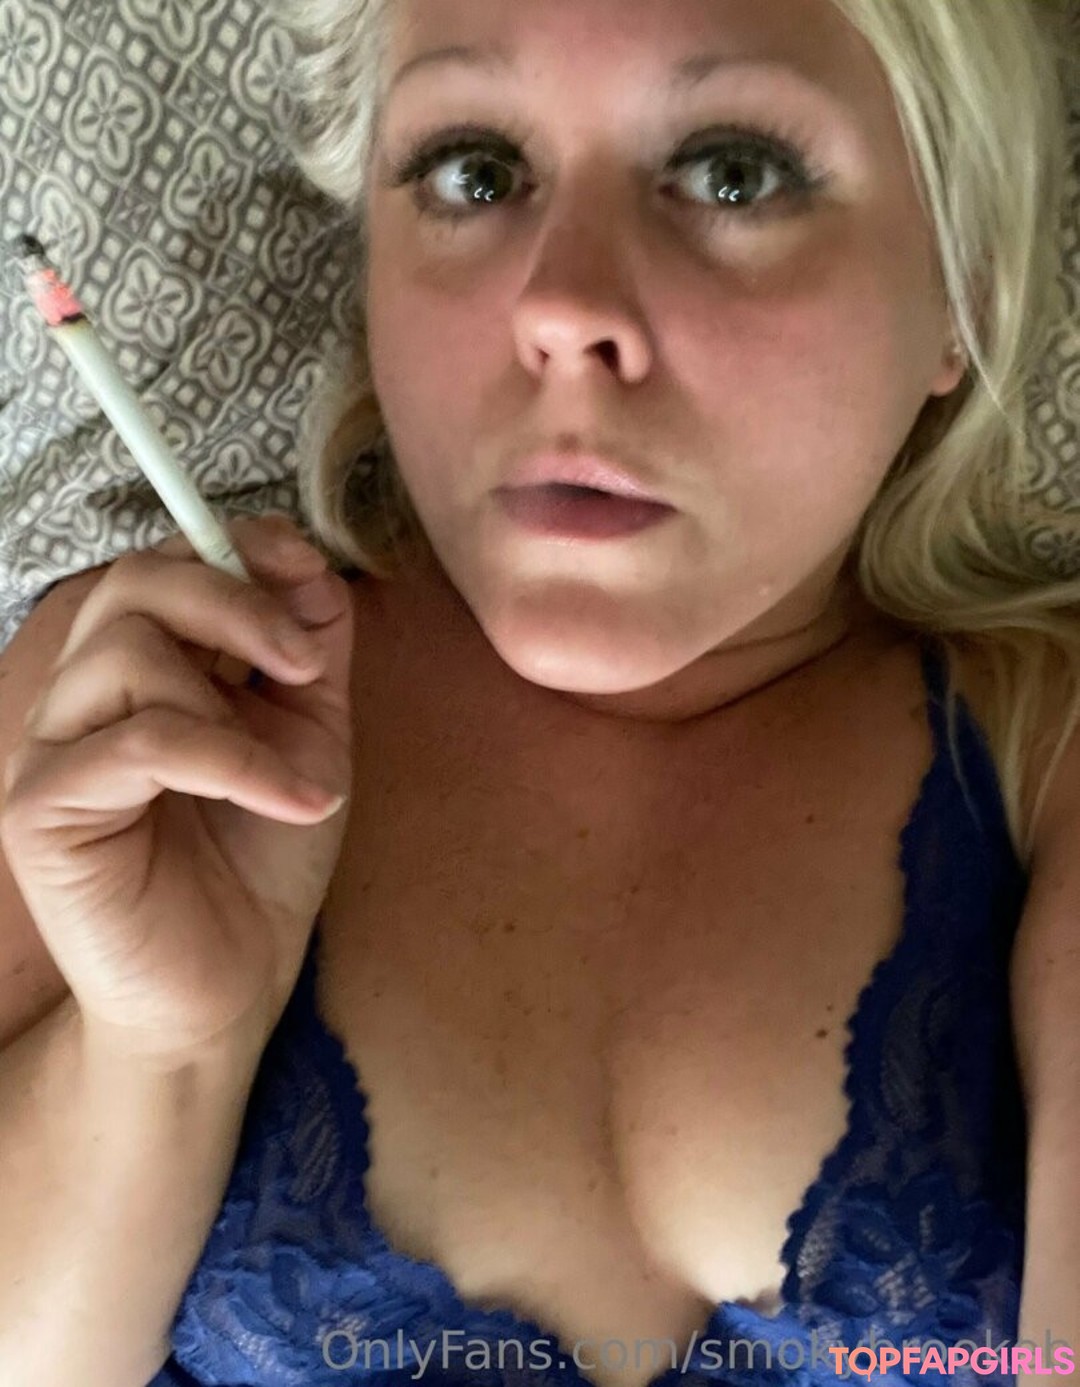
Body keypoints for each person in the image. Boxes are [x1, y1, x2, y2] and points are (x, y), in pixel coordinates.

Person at [0, 1, 1077, 1385]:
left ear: (964, 290)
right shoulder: (139, 716)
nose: (564, 306)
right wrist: (158, 1054)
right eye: (477, 173)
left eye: (733, 173)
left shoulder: (1047, 756)